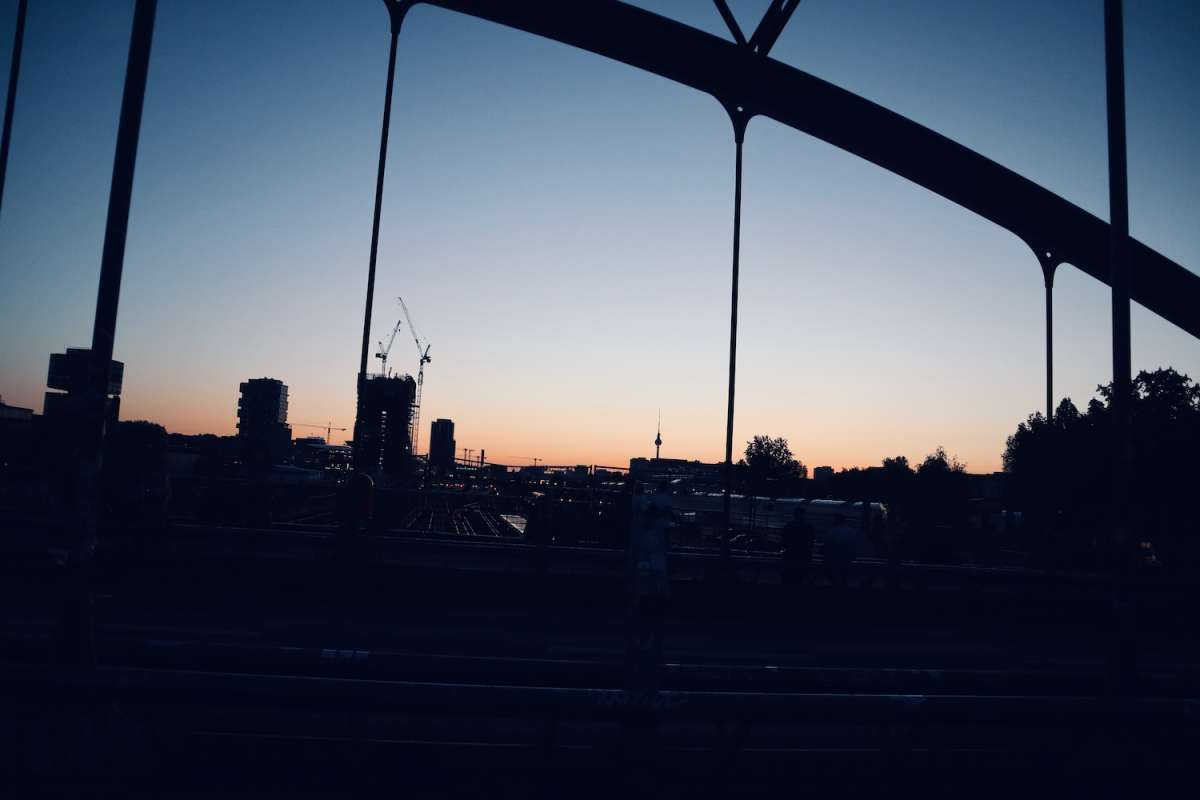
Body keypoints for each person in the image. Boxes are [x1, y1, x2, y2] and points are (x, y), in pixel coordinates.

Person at [781, 506, 815, 585]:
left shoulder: (789, 525)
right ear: (803, 514)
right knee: (800, 578)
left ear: (795, 514)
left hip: (790, 555)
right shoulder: (808, 527)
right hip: (803, 556)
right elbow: (811, 543)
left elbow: (783, 541)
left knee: (788, 578)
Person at [823, 512, 855, 588]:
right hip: (847, 560)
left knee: (833, 576)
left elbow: (826, 547)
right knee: (844, 578)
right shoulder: (850, 531)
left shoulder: (832, 532)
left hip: (834, 560)